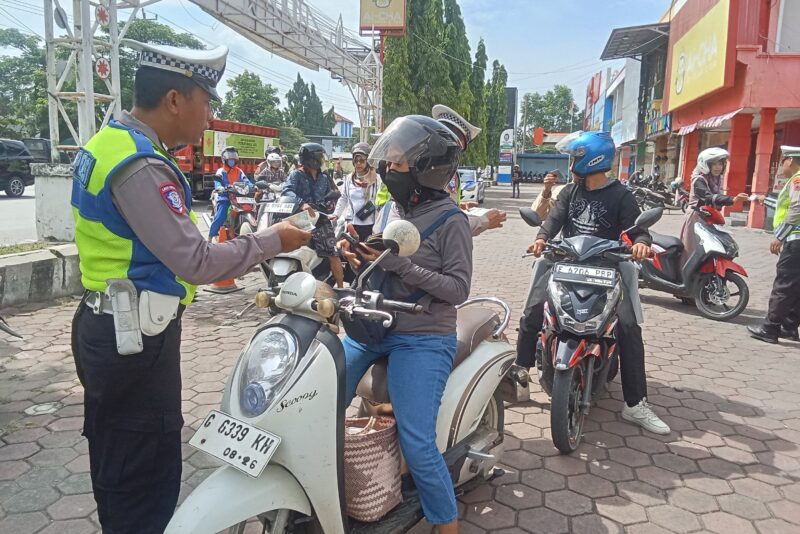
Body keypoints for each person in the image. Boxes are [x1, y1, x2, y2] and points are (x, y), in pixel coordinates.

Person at [70, 40, 309, 533]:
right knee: (143, 477)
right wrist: (274, 239)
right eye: (206, 102)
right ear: (175, 100)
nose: (209, 117)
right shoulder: (140, 165)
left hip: (108, 323)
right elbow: (197, 261)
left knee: (118, 461)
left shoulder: (105, 144)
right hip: (135, 342)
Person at [339, 114, 472, 534]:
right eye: (388, 160)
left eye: (396, 162)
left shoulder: (452, 220)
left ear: (425, 169)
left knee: (417, 443)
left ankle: (446, 524)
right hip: (373, 325)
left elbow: (458, 289)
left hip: (423, 336)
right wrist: (356, 257)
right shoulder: (391, 208)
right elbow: (380, 268)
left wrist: (402, 265)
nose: (386, 168)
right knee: (318, 400)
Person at [514, 131, 670, 435]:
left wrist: (641, 243)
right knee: (533, 310)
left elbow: (638, 230)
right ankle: (520, 373)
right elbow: (553, 221)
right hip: (567, 262)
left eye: (574, 159)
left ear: (590, 161)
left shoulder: (621, 195)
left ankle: (635, 404)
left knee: (628, 327)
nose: (571, 165)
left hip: (607, 266)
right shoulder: (570, 192)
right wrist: (541, 238)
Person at [747, 145, 800, 343]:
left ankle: (770, 329)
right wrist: (761, 200)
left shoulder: (797, 180)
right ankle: (789, 327)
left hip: (795, 241)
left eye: (783, 161)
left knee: (783, 286)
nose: (781, 166)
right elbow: (783, 206)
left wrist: (780, 236)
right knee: (796, 287)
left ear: (791, 160)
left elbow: (796, 208)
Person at [282, 142, 345, 287]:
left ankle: (341, 288)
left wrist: (330, 205)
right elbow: (287, 191)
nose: (322, 160)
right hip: (301, 219)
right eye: (320, 157)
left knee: (333, 253)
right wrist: (301, 203)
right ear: (311, 158)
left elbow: (333, 194)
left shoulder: (324, 177)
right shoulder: (296, 175)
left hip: (320, 219)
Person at [680, 148, 748, 249]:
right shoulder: (699, 179)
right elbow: (708, 197)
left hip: (710, 217)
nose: (718, 167)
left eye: (720, 164)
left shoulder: (716, 179)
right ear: (706, 165)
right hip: (697, 217)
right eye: (714, 164)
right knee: (692, 248)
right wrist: (732, 200)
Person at [333, 142, 380, 241]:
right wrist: (336, 214)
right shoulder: (349, 178)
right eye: (356, 160)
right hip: (352, 223)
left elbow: (381, 202)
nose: (358, 163)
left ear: (368, 161)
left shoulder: (377, 179)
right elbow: (344, 198)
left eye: (362, 160)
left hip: (371, 225)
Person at [208, 146, 253, 242]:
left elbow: (247, 181)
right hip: (225, 196)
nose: (232, 159)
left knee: (252, 208)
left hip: (238, 196)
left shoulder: (239, 171)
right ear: (224, 159)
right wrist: (220, 187)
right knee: (221, 215)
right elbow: (217, 182)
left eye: (234, 157)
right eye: (229, 157)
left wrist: (253, 187)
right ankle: (210, 237)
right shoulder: (221, 171)